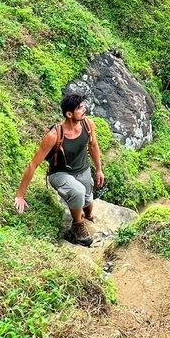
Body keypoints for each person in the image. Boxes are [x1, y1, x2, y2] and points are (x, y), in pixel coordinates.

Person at [14, 93, 105, 246]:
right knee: (78, 192)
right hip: (60, 173)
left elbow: (93, 146)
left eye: (83, 106)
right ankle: (77, 225)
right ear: (69, 114)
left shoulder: (88, 125)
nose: (84, 109)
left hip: (82, 169)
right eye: (80, 108)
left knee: (88, 200)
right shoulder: (54, 135)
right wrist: (20, 196)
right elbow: (33, 164)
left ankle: (87, 216)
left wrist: (98, 169)